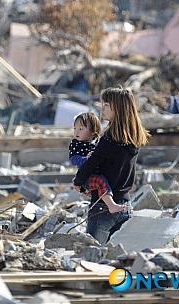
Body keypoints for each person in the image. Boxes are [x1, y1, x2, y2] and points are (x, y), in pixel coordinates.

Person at [73, 87, 150, 245]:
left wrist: (78, 182)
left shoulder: (108, 139)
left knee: (92, 255)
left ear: (118, 108)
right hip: (126, 207)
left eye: (106, 105)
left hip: (103, 209)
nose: (103, 108)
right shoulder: (134, 139)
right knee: (116, 258)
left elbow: (92, 163)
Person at [69, 112, 126, 214]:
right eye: (75, 128)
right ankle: (111, 205)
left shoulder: (97, 144)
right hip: (87, 176)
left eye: (81, 129)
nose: (76, 131)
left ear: (93, 132)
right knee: (101, 182)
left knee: (102, 181)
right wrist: (86, 160)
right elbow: (73, 159)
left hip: (94, 174)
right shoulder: (76, 144)